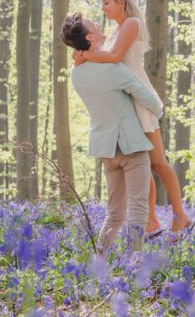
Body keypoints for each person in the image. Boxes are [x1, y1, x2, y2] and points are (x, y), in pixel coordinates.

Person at [72, 0, 193, 235]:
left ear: (121, 2)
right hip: (126, 101)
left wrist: (88, 56)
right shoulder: (114, 31)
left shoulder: (131, 24)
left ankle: (180, 216)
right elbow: (100, 51)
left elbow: (114, 57)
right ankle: (150, 221)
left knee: (158, 162)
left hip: (140, 96)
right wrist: (82, 53)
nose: (102, 8)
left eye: (106, 2)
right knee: (140, 162)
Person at [61, 13, 163, 251]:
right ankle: (133, 263)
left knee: (114, 213)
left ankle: (100, 261)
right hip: (131, 146)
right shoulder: (112, 69)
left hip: (107, 150)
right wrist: (158, 110)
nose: (98, 24)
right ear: (90, 36)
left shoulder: (77, 74)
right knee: (138, 209)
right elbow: (143, 94)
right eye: (93, 24)